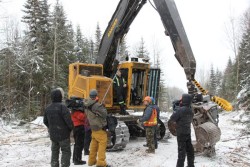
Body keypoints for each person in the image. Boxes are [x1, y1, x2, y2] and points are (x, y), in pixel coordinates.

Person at [43, 88, 73, 167]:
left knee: (54, 152)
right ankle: (64, 165)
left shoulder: (48, 108)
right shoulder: (63, 107)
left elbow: (45, 121)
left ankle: (54, 165)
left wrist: (51, 128)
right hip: (64, 135)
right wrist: (70, 129)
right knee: (66, 151)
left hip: (53, 135)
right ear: (60, 97)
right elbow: (69, 121)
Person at [84, 89, 110, 167]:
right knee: (102, 144)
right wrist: (102, 106)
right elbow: (105, 114)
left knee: (94, 145)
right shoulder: (97, 105)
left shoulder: (86, 104)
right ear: (96, 96)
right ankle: (101, 163)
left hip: (93, 127)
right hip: (99, 127)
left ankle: (91, 161)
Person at [169, 94, 195, 167]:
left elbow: (172, 118)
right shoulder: (190, 111)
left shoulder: (180, 110)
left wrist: (177, 109)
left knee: (181, 151)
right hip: (187, 132)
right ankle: (191, 165)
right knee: (190, 150)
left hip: (181, 133)